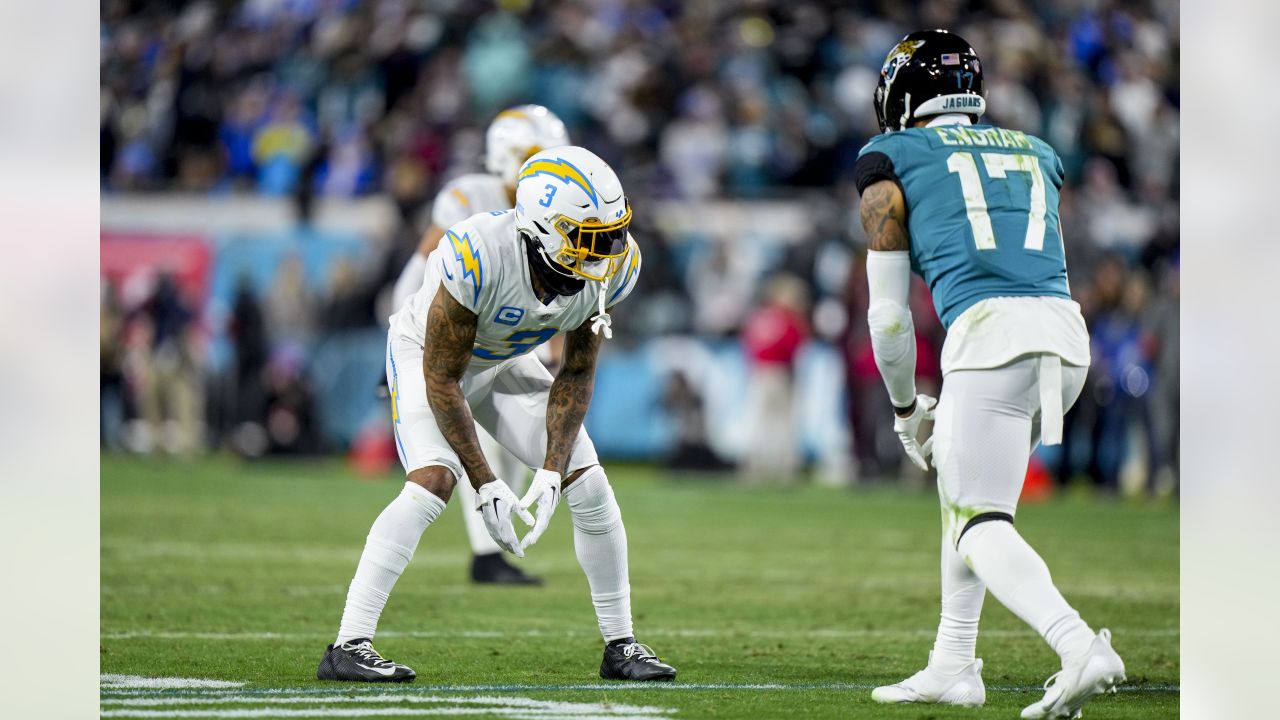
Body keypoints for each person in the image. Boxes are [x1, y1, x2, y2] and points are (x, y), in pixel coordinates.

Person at [317, 146, 676, 684]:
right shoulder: (478, 253)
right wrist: (485, 482)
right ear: (544, 230)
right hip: (428, 357)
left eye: (612, 235)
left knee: (590, 483)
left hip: (502, 358)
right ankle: (348, 644)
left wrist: (553, 470)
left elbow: (575, 374)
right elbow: (442, 378)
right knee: (433, 481)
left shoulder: (611, 269)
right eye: (591, 238)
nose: (608, 252)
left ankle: (621, 645)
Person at [852, 31, 1125, 718]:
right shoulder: (1036, 149)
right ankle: (953, 663)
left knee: (978, 519)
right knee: (969, 500)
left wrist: (906, 407)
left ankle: (1077, 645)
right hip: (1065, 336)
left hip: (990, 340)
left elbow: (887, 320)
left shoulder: (890, 156)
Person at [390, 105, 570, 585]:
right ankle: (485, 552)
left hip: (505, 337)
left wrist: (553, 354)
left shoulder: (555, 211)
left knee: (511, 445)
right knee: (456, 457)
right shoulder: (470, 196)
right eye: (538, 155)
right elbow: (420, 268)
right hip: (453, 334)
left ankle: (490, 550)